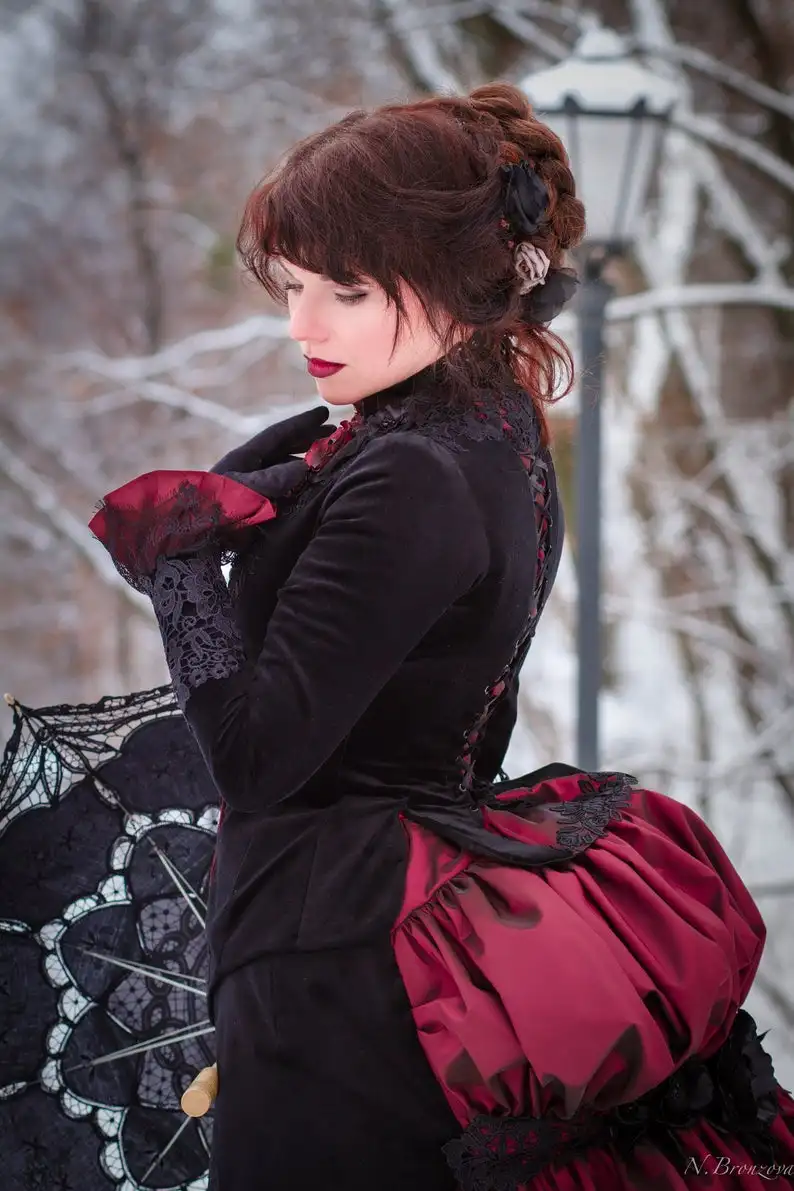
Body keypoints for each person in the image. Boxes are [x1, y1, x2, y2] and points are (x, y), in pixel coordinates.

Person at [90, 84, 794, 1190]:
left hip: (332, 953)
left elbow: (258, 753)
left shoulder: (411, 467)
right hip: (391, 920)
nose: (301, 324)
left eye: (346, 290)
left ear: (462, 286)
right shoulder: (481, 424)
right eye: (293, 287)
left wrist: (175, 567)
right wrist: (252, 496)